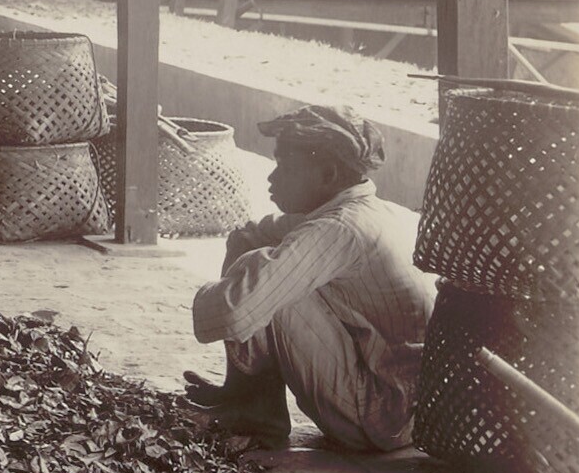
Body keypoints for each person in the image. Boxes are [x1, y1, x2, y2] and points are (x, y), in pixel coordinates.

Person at [182, 106, 436, 454]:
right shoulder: (362, 209)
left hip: (384, 416)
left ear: (328, 174)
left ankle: (256, 412)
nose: (272, 178)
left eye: (284, 166)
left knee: (266, 283)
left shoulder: (339, 228)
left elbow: (232, 311)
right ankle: (248, 398)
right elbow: (251, 234)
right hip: (400, 407)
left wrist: (219, 287)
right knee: (261, 257)